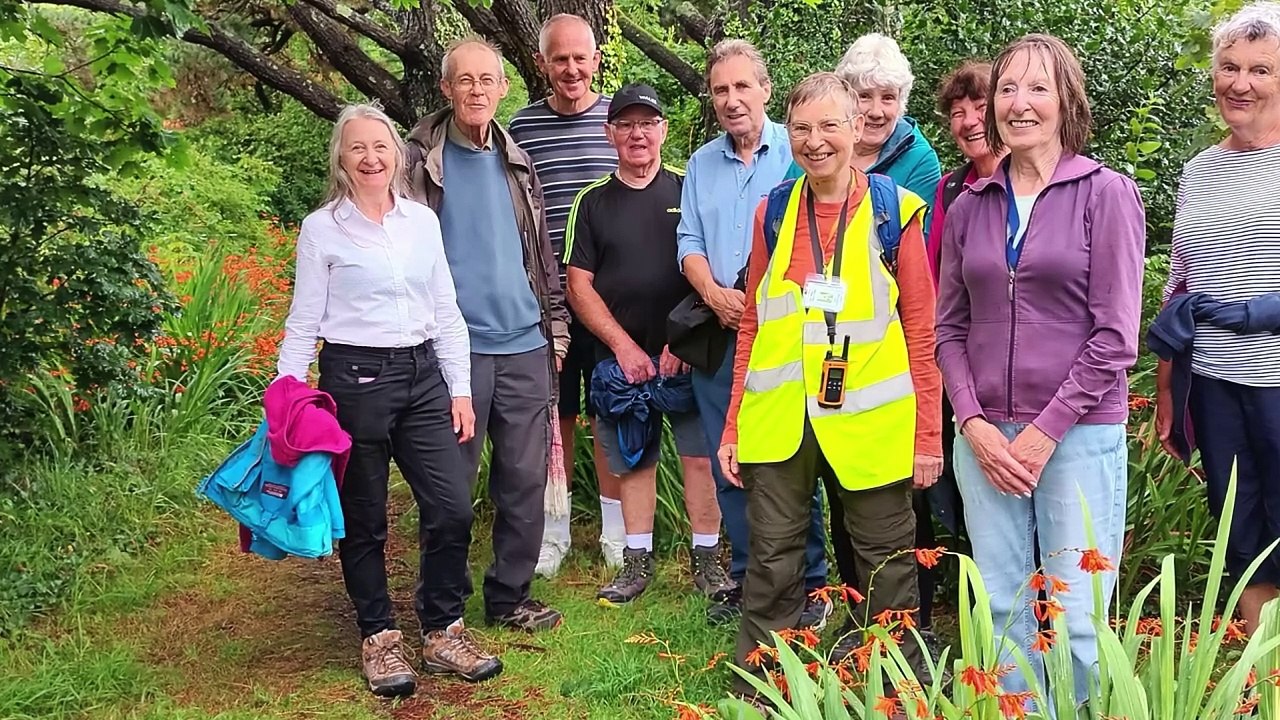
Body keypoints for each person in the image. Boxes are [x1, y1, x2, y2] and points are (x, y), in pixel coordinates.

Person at [935, 35, 1146, 703]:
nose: (1018, 104)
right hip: (986, 438)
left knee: (1079, 616)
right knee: (1001, 607)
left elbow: (1115, 338)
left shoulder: (1105, 194)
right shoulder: (971, 205)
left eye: (1037, 89)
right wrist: (971, 421)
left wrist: (1045, 429)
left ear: (1067, 103)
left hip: (1078, 436)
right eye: (1006, 89)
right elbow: (948, 327)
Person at [718, 71, 941, 691]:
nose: (815, 142)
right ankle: (762, 687)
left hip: (870, 426)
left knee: (887, 565)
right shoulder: (773, 212)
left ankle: (897, 689)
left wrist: (927, 435)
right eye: (801, 128)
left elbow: (922, 331)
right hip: (780, 422)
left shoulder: (895, 211)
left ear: (855, 129)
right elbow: (754, 326)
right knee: (772, 562)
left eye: (829, 126)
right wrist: (735, 422)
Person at [277, 104, 501, 696]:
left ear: (398, 155)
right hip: (355, 380)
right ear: (341, 160)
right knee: (365, 517)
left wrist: (459, 387)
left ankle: (443, 631)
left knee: (452, 506)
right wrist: (287, 392)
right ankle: (379, 638)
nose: (371, 158)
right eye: (358, 148)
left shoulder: (422, 220)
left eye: (381, 146)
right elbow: (303, 321)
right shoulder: (322, 228)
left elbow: (447, 308)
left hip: (424, 373)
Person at [406, 37, 569, 633]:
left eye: (488, 80)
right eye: (465, 80)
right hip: (456, 352)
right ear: (446, 89)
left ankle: (510, 597)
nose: (477, 90)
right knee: (449, 488)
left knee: (524, 481)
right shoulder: (416, 161)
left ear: (504, 89)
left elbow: (540, 253)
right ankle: (441, 606)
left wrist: (554, 327)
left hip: (525, 344)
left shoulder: (517, 161)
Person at [677, 39, 831, 627]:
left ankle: (811, 584)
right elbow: (687, 240)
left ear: (766, 90)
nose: (732, 99)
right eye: (721, 89)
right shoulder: (700, 165)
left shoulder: (797, 155)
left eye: (743, 87)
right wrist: (714, 293)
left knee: (794, 460)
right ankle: (748, 578)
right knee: (731, 460)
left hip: (788, 339)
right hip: (720, 333)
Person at [564, 84, 735, 605]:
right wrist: (622, 347)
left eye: (648, 123)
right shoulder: (591, 202)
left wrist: (681, 343)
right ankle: (635, 563)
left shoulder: (690, 190)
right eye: (626, 124)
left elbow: (711, 266)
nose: (637, 134)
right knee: (631, 460)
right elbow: (577, 283)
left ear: (662, 130)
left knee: (701, 457)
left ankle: (708, 562)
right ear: (609, 132)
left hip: (687, 355)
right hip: (621, 363)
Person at [1155, 1, 1280, 637]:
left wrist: (1257, 311)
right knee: (1242, 529)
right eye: (1228, 67)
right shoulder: (1200, 170)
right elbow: (1180, 285)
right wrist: (1167, 389)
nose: (1240, 83)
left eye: (1260, 69)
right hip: (1216, 380)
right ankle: (1269, 675)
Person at [509, 14, 623, 575]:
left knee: (607, 413)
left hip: (606, 304)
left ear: (596, 59)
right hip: (543, 305)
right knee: (555, 416)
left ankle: (615, 530)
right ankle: (552, 530)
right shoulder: (520, 130)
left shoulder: (617, 123)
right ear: (543, 64)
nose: (572, 69)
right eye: (560, 59)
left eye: (581, 57)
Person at [783, 34, 942, 239]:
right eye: (864, 96)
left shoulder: (919, 160)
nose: (876, 111)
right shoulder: (817, 149)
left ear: (901, 102)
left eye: (888, 98)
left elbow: (920, 245)